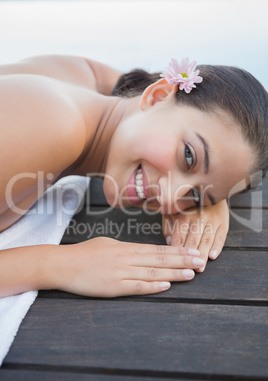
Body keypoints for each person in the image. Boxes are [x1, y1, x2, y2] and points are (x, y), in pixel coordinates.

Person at [0, 55, 267, 298]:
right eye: (188, 156)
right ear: (157, 96)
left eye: (193, 195)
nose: (168, 196)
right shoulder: (54, 124)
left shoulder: (84, 78)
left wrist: (214, 197)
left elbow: (125, 81)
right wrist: (55, 265)